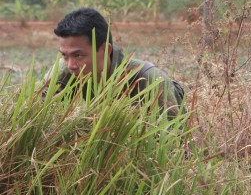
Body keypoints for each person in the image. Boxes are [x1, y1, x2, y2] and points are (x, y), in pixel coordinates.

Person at [43, 7, 185, 118]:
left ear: (105, 49)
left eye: (78, 55)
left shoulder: (150, 81)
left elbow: (176, 145)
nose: (71, 65)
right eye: (64, 56)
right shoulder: (61, 75)